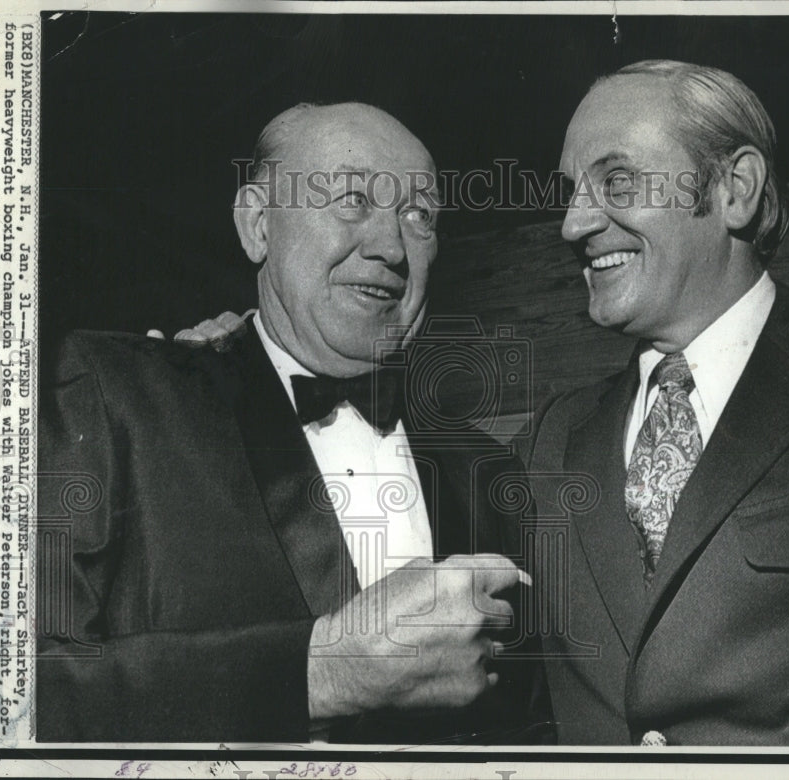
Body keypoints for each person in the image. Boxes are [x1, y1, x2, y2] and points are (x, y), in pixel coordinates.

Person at [37, 103, 547, 744]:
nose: (391, 247)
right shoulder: (112, 397)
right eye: (352, 198)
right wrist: (323, 673)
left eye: (419, 215)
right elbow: (4, 696)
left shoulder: (487, 469)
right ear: (257, 226)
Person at [525, 60, 789, 746]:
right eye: (571, 192)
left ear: (735, 189)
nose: (573, 224)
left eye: (617, 182)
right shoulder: (552, 438)